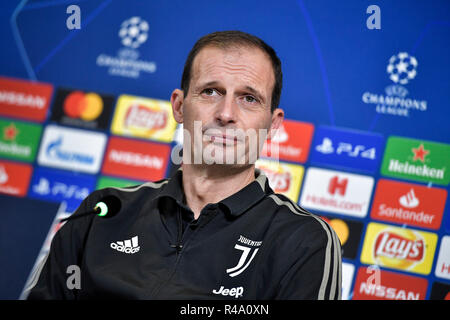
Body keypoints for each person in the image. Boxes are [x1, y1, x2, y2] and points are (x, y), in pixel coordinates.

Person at [26, 30, 341, 300]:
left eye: (248, 98)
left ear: (273, 124)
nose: (226, 113)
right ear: (179, 106)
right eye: (210, 91)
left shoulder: (305, 240)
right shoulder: (102, 212)